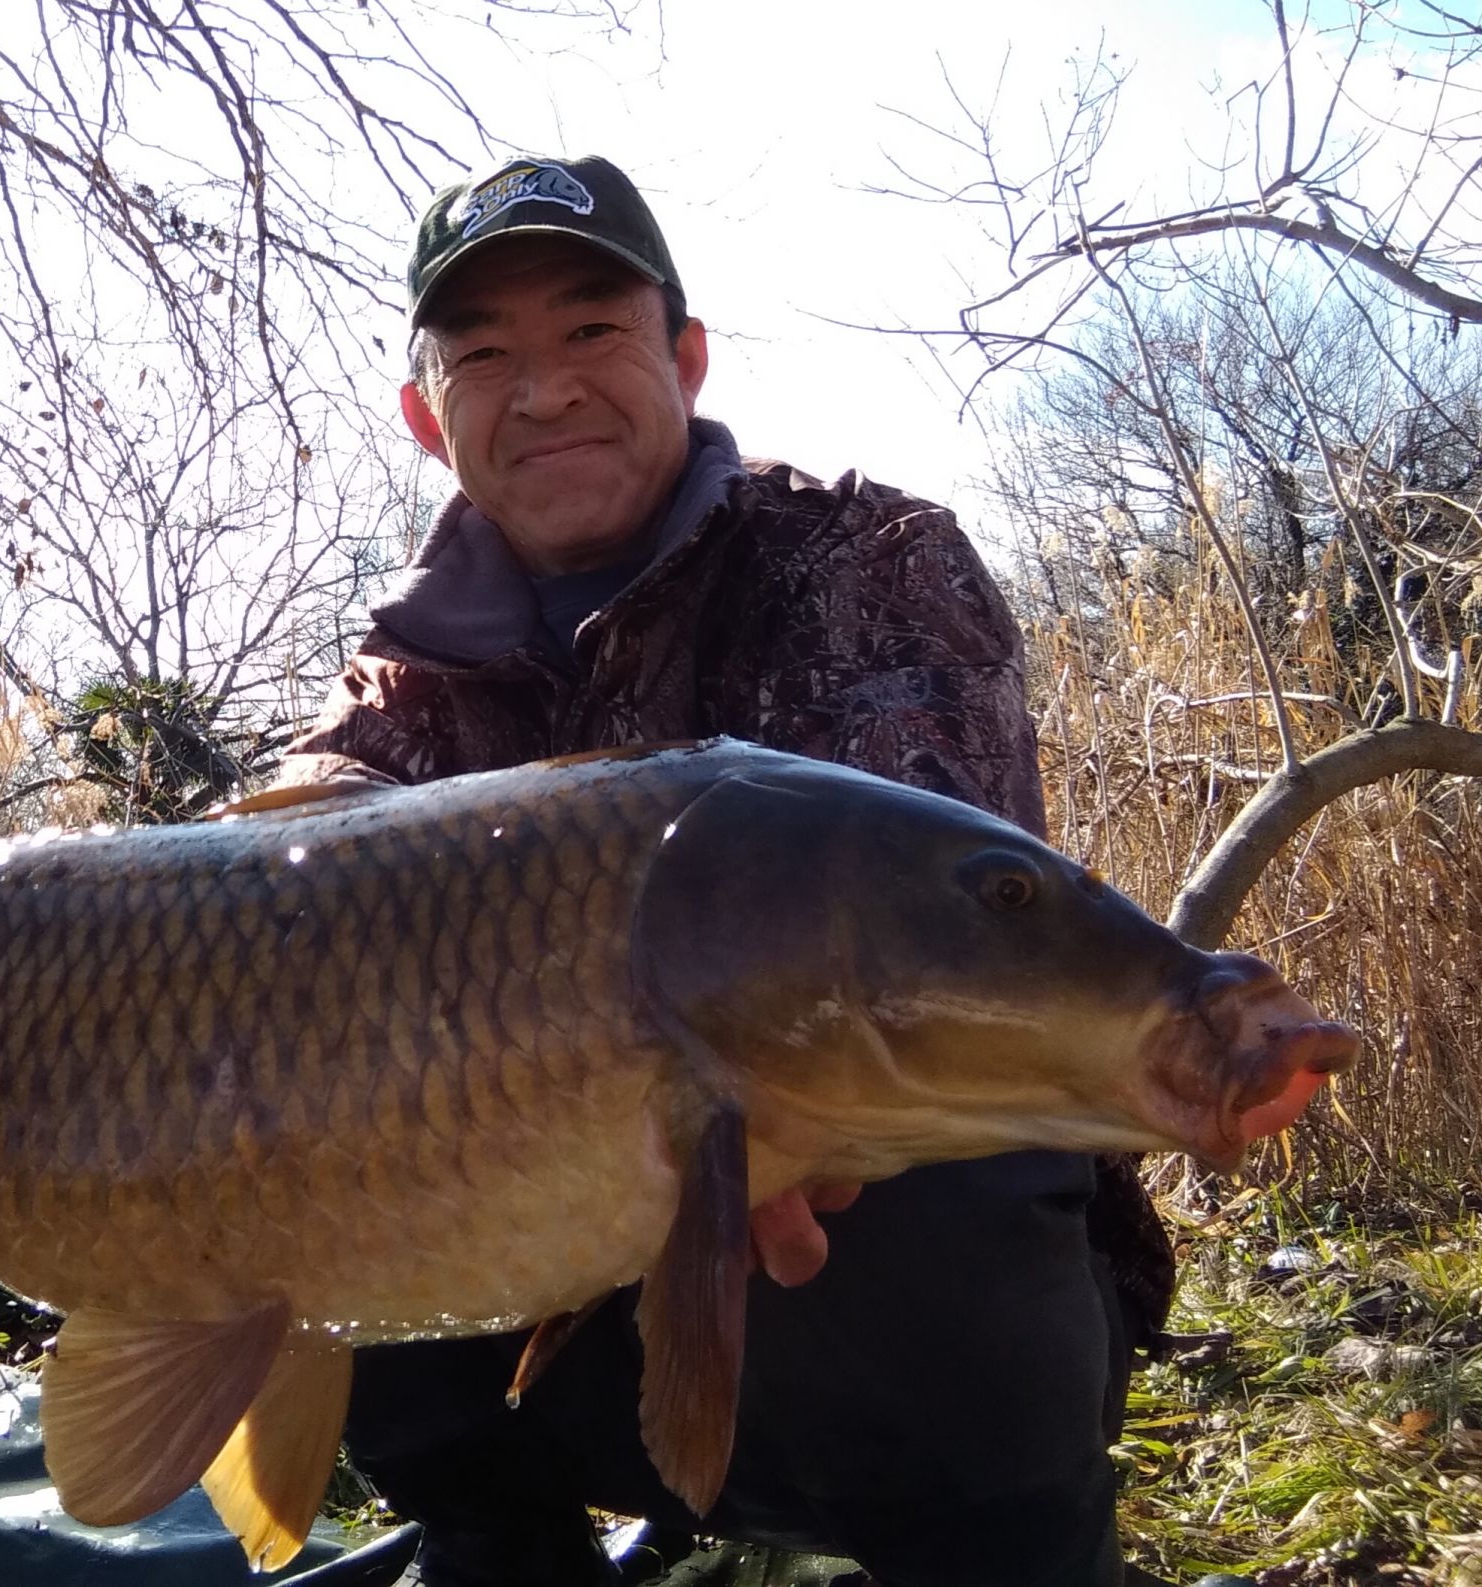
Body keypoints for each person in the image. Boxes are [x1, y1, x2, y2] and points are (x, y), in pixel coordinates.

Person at [269, 154, 1176, 1587]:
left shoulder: (867, 560)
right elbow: (249, 874)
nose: (547, 386)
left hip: (861, 1292)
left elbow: (929, 925)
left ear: (683, 359)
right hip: (552, 1293)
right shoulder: (393, 693)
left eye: (591, 332)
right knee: (324, 1113)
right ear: (425, 418)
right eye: (485, 353)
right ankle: (495, 1537)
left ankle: (1005, 1554)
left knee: (912, 1113)